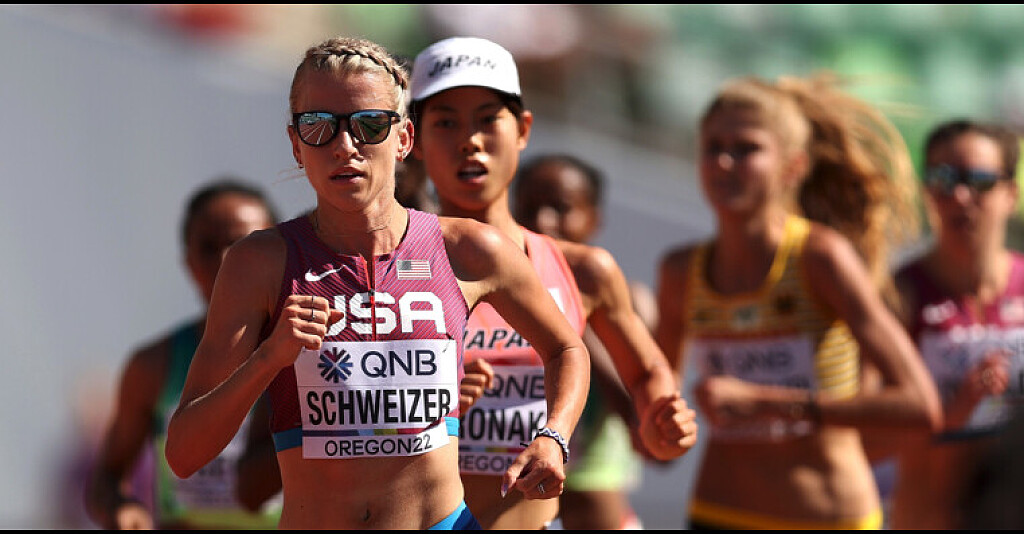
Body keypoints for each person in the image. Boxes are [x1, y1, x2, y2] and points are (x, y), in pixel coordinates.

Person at [164, 36, 592, 530]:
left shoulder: (470, 250)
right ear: (296, 144)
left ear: (404, 139)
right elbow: (184, 454)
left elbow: (567, 348)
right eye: (319, 126)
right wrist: (269, 357)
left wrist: (553, 437)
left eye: (369, 125)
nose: (345, 146)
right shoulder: (259, 262)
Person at [409, 36, 697, 530]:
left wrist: (662, 415)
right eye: (446, 122)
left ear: (523, 129)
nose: (469, 140)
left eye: (487, 119)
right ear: (411, 138)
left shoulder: (583, 271)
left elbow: (647, 373)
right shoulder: (385, 265)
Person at [654, 74, 944, 530]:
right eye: (713, 147)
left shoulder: (819, 258)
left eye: (746, 148)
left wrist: (765, 402)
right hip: (717, 511)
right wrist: (660, 425)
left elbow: (919, 404)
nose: (724, 162)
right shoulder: (679, 271)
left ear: (793, 167)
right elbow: (656, 439)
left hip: (826, 515)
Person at [85, 178, 283, 529]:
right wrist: (120, 508)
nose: (225, 260)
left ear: (278, 255)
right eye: (208, 247)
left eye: (241, 245)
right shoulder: (153, 367)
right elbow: (106, 477)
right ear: (187, 261)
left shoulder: (312, 356)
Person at [889, 119, 1024, 529]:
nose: (960, 196)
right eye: (943, 179)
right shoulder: (898, 295)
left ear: (1010, 195)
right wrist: (947, 415)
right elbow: (859, 439)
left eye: (978, 181)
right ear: (926, 192)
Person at [513, 153, 651, 530]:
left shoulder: (630, 302)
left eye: (561, 208)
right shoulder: (495, 295)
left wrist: (576, 318)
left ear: (594, 219)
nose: (543, 221)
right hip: (515, 485)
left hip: (593, 490)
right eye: (528, 207)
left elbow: (643, 424)